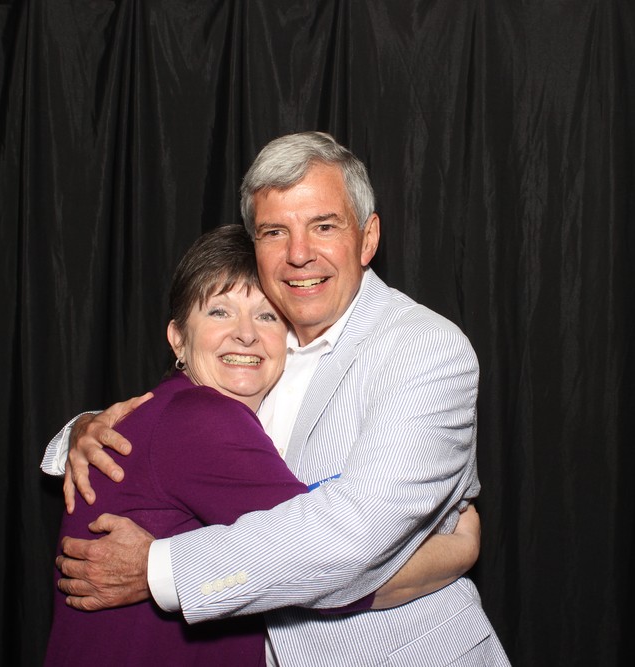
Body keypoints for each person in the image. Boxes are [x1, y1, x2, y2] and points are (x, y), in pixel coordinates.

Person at [44, 132, 509, 665]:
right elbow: (176, 421)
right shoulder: (261, 347)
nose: (299, 254)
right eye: (274, 231)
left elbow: (347, 544)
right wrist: (83, 429)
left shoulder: (423, 348)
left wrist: (158, 569)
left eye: (324, 226)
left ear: (368, 238)